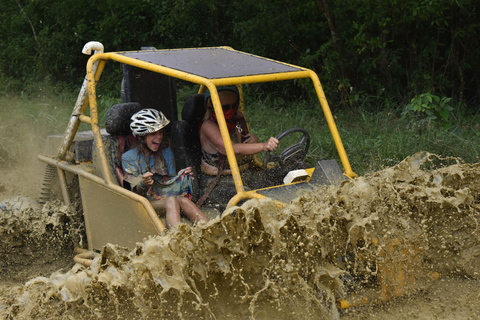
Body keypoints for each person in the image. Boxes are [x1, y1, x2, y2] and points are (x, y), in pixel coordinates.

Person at [122, 108, 209, 228]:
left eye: (161, 132)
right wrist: (143, 183)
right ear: (141, 137)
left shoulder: (166, 152)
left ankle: (211, 229)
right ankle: (178, 238)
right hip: (143, 203)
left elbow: (169, 187)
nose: (159, 137)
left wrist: (179, 178)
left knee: (183, 200)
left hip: (164, 196)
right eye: (153, 133)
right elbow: (132, 193)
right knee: (171, 201)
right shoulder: (128, 157)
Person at [199, 85, 279, 176]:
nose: (231, 110)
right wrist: (263, 146)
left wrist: (255, 140)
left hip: (244, 173)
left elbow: (245, 143)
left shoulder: (237, 118)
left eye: (234, 106)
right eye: (225, 107)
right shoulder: (209, 126)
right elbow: (232, 150)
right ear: (212, 106)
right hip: (219, 180)